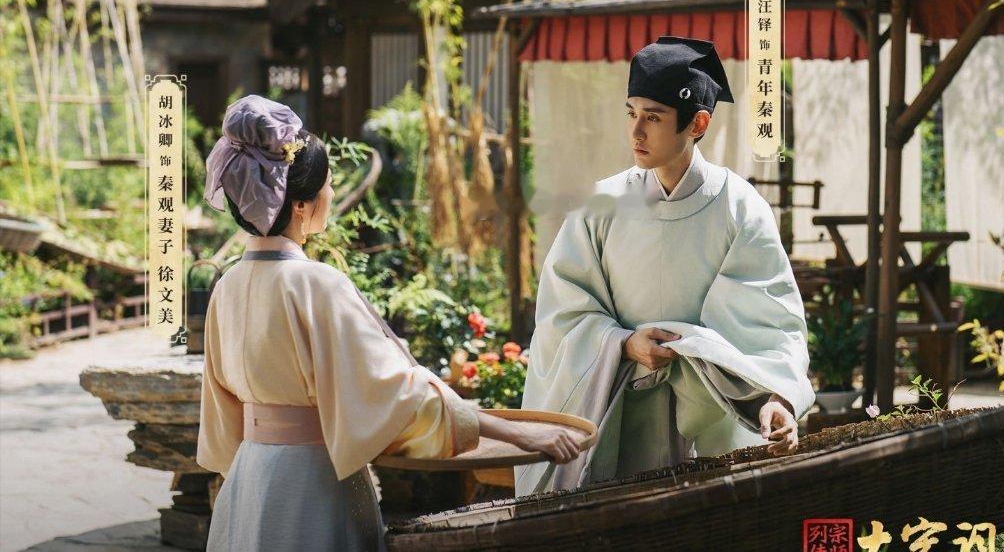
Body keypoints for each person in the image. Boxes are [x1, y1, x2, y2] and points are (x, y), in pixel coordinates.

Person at [196, 95, 584, 551]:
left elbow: (221, 418)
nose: (331, 194)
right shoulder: (317, 284)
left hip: (249, 477)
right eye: (328, 185)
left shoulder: (227, 285)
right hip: (311, 479)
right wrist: (517, 431)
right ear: (299, 205)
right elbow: (398, 394)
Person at [516, 36, 815, 496]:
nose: (636, 132)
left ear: (697, 123)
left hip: (711, 416)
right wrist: (622, 343)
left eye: (653, 117)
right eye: (631, 113)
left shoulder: (740, 208)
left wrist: (777, 398)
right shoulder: (602, 204)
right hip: (619, 409)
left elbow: (773, 325)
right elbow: (562, 313)